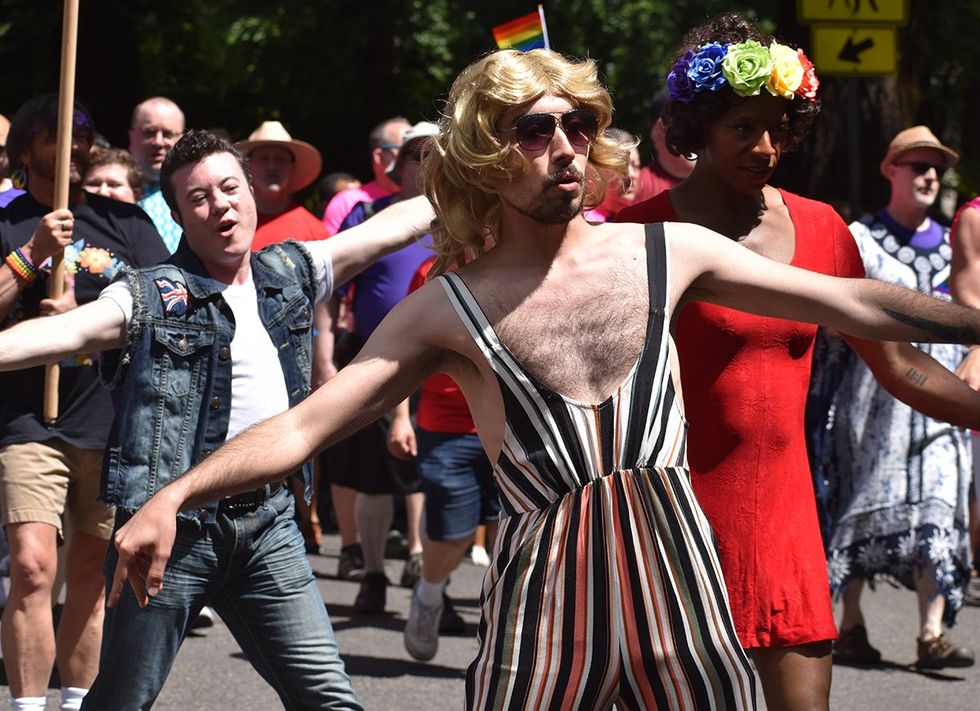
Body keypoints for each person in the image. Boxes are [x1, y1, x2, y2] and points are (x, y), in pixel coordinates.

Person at [97, 48, 980, 710]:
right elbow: (303, 426)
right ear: (487, 151)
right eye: (534, 129)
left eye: (577, 126)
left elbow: (854, 302)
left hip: (683, 598)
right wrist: (174, 495)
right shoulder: (448, 309)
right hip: (544, 616)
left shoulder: (668, 251)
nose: (565, 147)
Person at [616, 13, 980, 709]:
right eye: (743, 127)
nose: (765, 147)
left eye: (778, 128)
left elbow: (899, 365)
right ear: (697, 127)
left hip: (784, 517)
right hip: (669, 521)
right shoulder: (637, 237)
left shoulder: (821, 229)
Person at [0, 128, 433, 709]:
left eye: (230, 188)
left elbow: (391, 227)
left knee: (329, 700)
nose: (221, 206)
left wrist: (476, 178)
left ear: (250, 193)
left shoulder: (291, 271)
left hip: (269, 528)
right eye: (199, 198)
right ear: (179, 216)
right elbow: (65, 333)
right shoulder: (150, 296)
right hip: (168, 534)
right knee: (122, 701)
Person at [0, 95, 168, 711]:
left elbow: (170, 306)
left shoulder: (126, 223)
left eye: (80, 133)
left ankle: (77, 702)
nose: (72, 146)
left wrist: (88, 317)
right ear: (25, 149)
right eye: (54, 134)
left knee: (95, 574)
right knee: (31, 567)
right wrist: (31, 256)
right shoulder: (9, 219)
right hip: (25, 420)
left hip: (109, 417)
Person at [809, 126, 974, 669]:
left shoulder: (955, 242)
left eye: (936, 169)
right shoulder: (860, 238)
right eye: (918, 166)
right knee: (859, 496)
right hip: (872, 398)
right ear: (891, 171)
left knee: (942, 492)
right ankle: (851, 625)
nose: (929, 176)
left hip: (943, 397)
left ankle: (931, 633)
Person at [328, 121, 436, 613]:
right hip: (371, 359)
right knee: (371, 473)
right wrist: (325, 360)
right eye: (418, 154)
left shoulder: (465, 218)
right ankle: (372, 575)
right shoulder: (367, 216)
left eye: (437, 154)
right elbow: (332, 290)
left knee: (427, 471)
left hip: (440, 362)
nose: (428, 164)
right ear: (400, 164)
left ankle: (420, 565)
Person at [391, 254, 500, 661]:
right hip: (446, 427)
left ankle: (503, 625)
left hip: (512, 424)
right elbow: (401, 349)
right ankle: (429, 595)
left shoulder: (523, 261)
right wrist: (400, 417)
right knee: (453, 533)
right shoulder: (432, 272)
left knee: (512, 531)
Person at [237, 120, 326, 251]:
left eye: (280, 159)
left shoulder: (315, 231)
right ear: (249, 166)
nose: (272, 166)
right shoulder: (229, 224)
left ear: (291, 168)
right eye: (263, 158)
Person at [321, 116, 409, 236]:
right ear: (379, 156)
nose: (418, 157)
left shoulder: (429, 198)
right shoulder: (345, 202)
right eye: (406, 149)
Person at [129, 96, 185, 252]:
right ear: (132, 137)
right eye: (149, 132)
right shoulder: (108, 189)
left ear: (181, 139)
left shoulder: (196, 193)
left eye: (167, 134)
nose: (158, 142)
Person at [631, 88, 695, 204]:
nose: (696, 128)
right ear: (662, 127)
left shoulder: (725, 180)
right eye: (686, 120)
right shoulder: (636, 188)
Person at [583, 127, 641, 223]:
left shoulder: (639, 220)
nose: (630, 175)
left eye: (636, 166)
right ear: (593, 169)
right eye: (620, 166)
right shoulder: (583, 222)